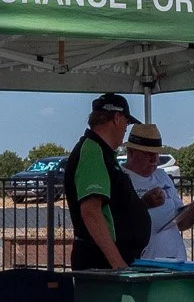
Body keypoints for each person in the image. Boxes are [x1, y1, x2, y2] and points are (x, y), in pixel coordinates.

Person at [62, 92, 152, 270]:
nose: (126, 128)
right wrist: (118, 264)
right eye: (127, 122)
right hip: (101, 263)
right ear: (118, 118)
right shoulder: (92, 151)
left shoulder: (102, 152)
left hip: (111, 260)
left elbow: (113, 207)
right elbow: (91, 212)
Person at [124, 122, 194, 262]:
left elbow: (180, 224)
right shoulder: (121, 178)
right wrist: (144, 204)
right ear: (131, 153)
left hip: (176, 261)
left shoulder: (163, 177)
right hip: (142, 263)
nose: (154, 160)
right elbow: (119, 223)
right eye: (148, 154)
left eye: (156, 154)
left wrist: (193, 213)